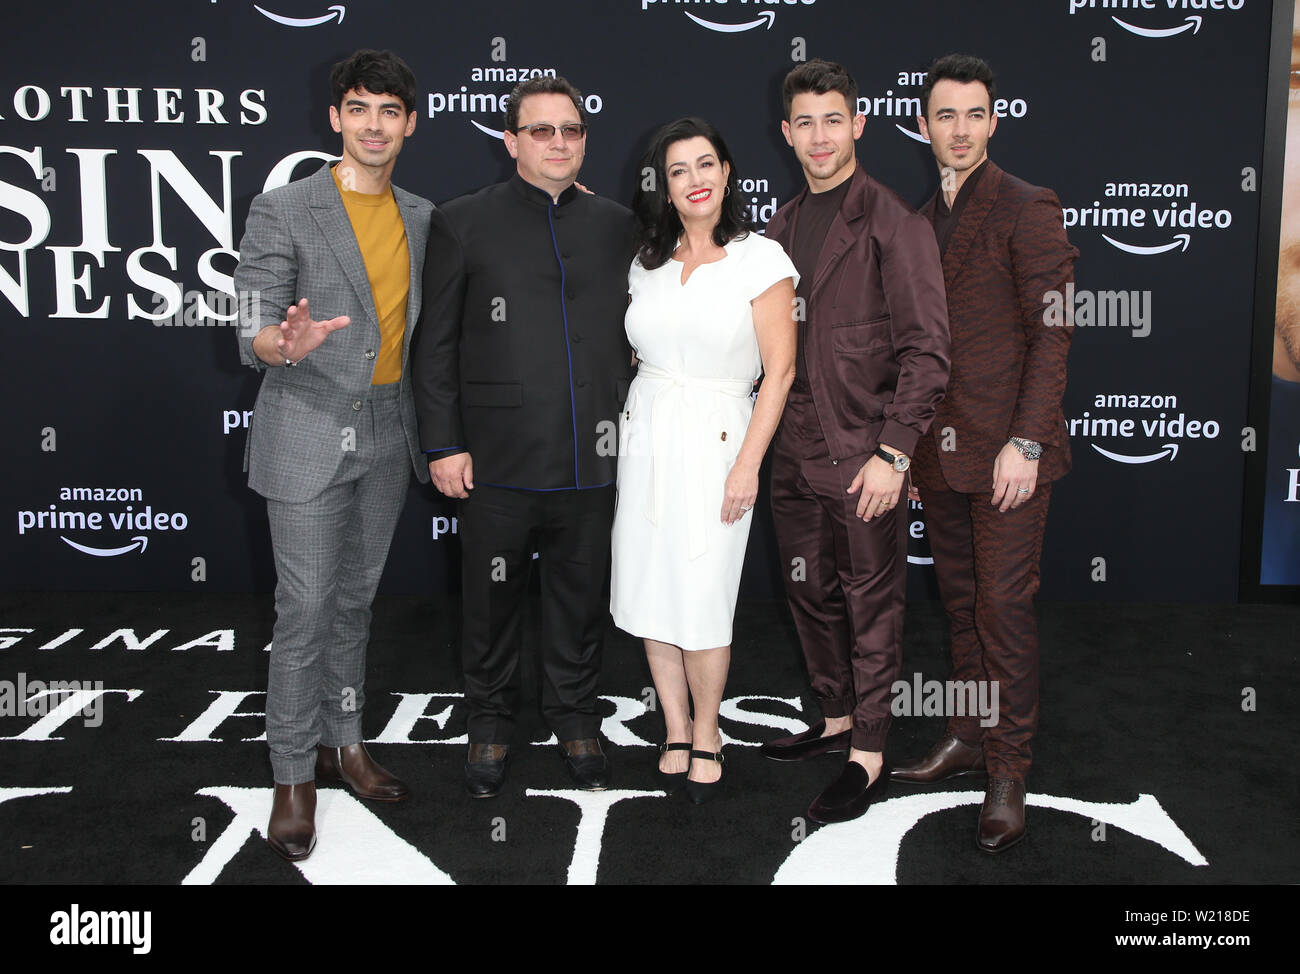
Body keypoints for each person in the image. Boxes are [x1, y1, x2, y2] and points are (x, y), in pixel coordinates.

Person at [412, 76, 638, 798]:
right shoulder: (462, 221)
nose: (559, 143)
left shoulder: (618, 225)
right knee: (490, 601)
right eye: (541, 131)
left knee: (579, 599)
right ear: (511, 141)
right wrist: (443, 443)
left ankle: (575, 717)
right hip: (496, 461)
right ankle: (488, 724)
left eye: (570, 130)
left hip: (593, 459)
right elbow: (435, 344)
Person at [234, 50, 433, 861]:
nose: (374, 125)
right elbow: (250, 316)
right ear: (336, 119)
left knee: (354, 600)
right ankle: (291, 774)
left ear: (409, 123)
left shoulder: (422, 215)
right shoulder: (285, 207)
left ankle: (342, 743)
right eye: (359, 109)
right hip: (308, 422)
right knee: (306, 608)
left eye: (389, 111)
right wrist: (280, 342)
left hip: (389, 428)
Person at [890, 54, 1077, 854]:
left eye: (974, 115)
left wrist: (1026, 441)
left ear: (993, 122)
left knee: (1001, 612)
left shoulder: (1028, 206)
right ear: (924, 124)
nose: (959, 129)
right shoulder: (918, 219)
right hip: (942, 454)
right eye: (945, 115)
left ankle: (1009, 769)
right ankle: (969, 732)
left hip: (1010, 455)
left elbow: (1055, 328)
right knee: (961, 606)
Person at [758, 59, 951, 824]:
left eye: (833, 119)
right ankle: (834, 717)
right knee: (809, 591)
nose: (819, 136)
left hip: (863, 452)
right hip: (792, 449)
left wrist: (894, 452)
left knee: (873, 604)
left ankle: (868, 751)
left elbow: (928, 351)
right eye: (804, 122)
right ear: (786, 133)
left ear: (859, 124)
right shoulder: (777, 225)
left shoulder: (892, 222)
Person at [610, 117, 797, 803]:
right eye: (680, 169)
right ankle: (676, 726)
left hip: (722, 438)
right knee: (651, 586)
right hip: (646, 436)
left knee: (705, 593)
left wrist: (749, 464)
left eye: (706, 164)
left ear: (726, 173)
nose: (695, 180)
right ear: (664, 185)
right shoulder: (645, 263)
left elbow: (779, 373)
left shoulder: (762, 259)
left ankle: (711, 729)